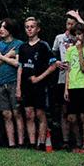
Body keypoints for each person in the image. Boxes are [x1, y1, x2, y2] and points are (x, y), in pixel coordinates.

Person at [16, 17, 57, 152]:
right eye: (27, 27)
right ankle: (32, 142)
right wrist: (18, 87)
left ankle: (42, 143)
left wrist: (39, 78)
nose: (29, 29)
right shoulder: (22, 47)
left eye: (32, 26)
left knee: (40, 113)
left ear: (38, 29)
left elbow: (53, 65)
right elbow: (20, 67)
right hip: (26, 86)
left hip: (40, 85)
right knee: (29, 114)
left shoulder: (43, 45)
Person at [51, 9, 84, 151]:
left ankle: (79, 142)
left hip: (78, 78)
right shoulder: (59, 38)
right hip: (62, 78)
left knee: (78, 112)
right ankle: (66, 140)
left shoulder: (79, 38)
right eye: (68, 23)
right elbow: (52, 53)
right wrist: (56, 62)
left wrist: (78, 16)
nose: (70, 26)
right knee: (64, 110)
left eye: (73, 23)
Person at [62, 23, 84, 154]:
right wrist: (66, 88)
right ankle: (78, 142)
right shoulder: (70, 50)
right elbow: (68, 70)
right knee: (72, 117)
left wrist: (80, 50)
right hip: (72, 85)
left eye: (80, 34)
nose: (78, 37)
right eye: (75, 35)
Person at [0, 19, 23, 147]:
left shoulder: (18, 44)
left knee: (17, 112)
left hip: (13, 81)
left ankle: (21, 142)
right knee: (6, 114)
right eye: (1, 27)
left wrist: (1, 57)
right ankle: (11, 143)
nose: (1, 30)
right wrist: (8, 55)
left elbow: (18, 63)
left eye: (4, 27)